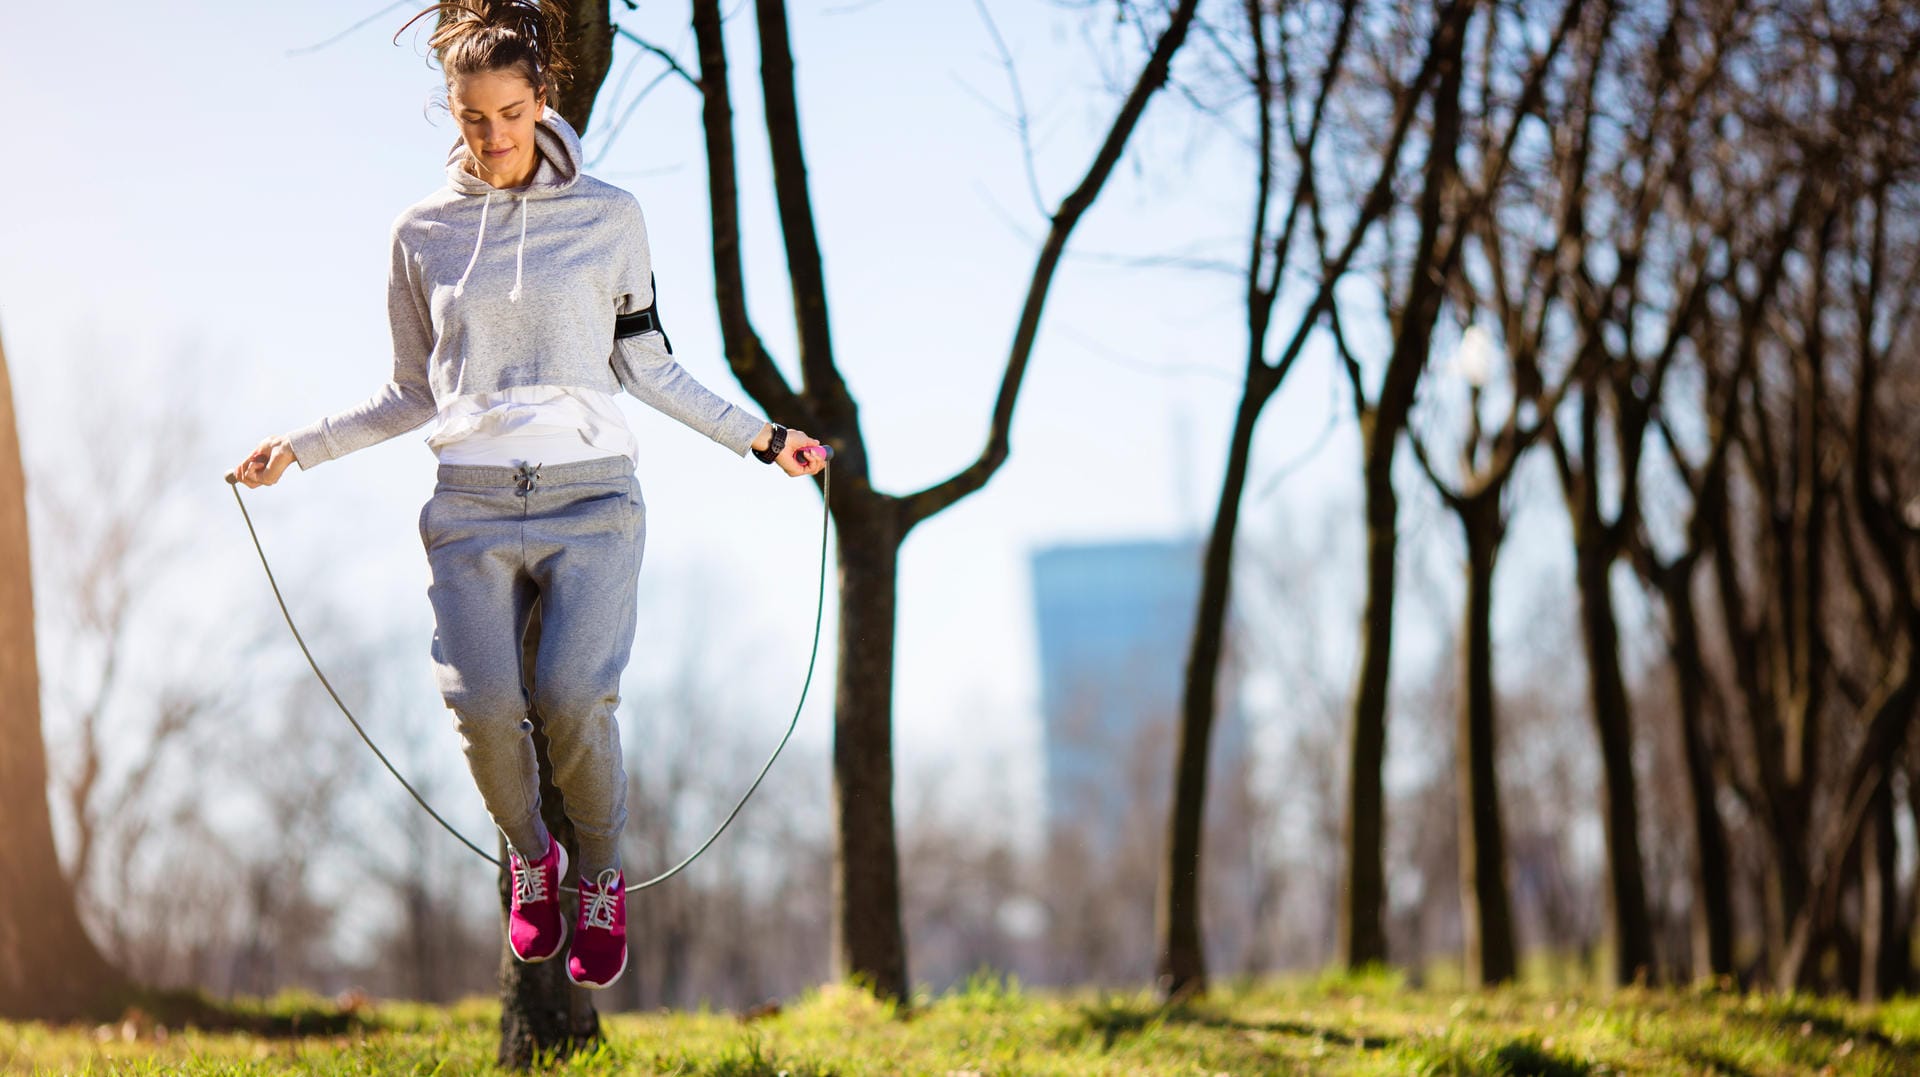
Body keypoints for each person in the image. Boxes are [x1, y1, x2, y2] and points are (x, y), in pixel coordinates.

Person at [229, 0, 825, 990]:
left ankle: (597, 874)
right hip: (468, 504)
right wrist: (298, 447)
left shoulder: (610, 216)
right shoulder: (420, 233)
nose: (496, 135)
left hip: (593, 503)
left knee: (572, 696)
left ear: (542, 98)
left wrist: (763, 439)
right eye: (474, 118)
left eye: (511, 111)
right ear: (452, 116)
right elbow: (411, 392)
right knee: (482, 704)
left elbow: (648, 366)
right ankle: (532, 862)